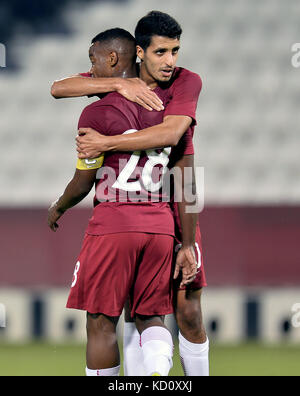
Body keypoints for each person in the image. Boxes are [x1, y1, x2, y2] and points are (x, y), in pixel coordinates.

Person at [51, 11, 209, 377]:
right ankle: (153, 376)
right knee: (147, 312)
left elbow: (174, 142)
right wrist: (121, 85)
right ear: (138, 53)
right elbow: (58, 87)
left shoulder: (185, 83)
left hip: (166, 210)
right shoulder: (116, 84)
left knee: (185, 309)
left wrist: (106, 142)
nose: (171, 61)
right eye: (161, 52)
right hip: (155, 216)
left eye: (176, 51)